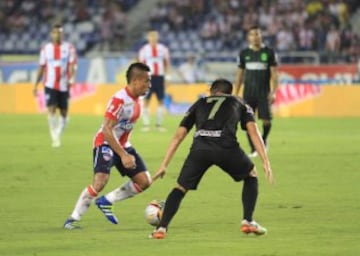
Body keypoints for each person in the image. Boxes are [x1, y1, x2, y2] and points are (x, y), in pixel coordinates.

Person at [149, 78, 274, 239]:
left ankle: (161, 229)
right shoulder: (240, 102)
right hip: (226, 147)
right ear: (230, 92)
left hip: (200, 149)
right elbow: (253, 131)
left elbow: (179, 135)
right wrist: (265, 161)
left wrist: (164, 164)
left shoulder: (199, 103)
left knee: (180, 187)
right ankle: (248, 221)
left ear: (212, 91)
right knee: (251, 175)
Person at [63, 62, 153, 229]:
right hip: (105, 141)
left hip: (123, 144)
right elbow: (106, 129)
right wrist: (123, 155)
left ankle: (107, 201)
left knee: (144, 181)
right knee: (100, 181)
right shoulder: (119, 100)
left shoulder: (137, 102)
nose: (149, 85)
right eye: (146, 81)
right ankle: (72, 219)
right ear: (135, 81)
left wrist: (125, 151)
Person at [234, 25, 278, 157]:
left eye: (257, 34)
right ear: (249, 37)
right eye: (252, 35)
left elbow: (275, 74)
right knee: (248, 122)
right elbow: (240, 75)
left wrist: (274, 92)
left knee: (266, 121)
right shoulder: (244, 54)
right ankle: (254, 148)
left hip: (264, 93)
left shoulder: (269, 52)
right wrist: (236, 93)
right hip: (248, 94)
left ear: (261, 36)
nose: (255, 37)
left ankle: (263, 139)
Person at [33, 24, 77, 147]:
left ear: (62, 34)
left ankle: (58, 132)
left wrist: (71, 78)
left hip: (64, 84)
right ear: (51, 34)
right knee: (51, 109)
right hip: (49, 84)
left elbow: (72, 65)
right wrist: (36, 85)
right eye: (55, 32)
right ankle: (54, 136)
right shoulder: (45, 49)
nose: (57, 35)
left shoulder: (69, 48)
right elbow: (41, 67)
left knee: (64, 113)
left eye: (59, 32)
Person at [138, 30, 171, 132]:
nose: (153, 40)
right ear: (148, 39)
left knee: (160, 101)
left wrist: (168, 77)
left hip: (160, 77)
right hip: (148, 78)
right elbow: (141, 65)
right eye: (151, 38)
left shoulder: (163, 49)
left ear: (157, 38)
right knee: (146, 101)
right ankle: (146, 125)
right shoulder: (144, 50)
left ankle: (158, 125)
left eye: (154, 38)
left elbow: (167, 63)